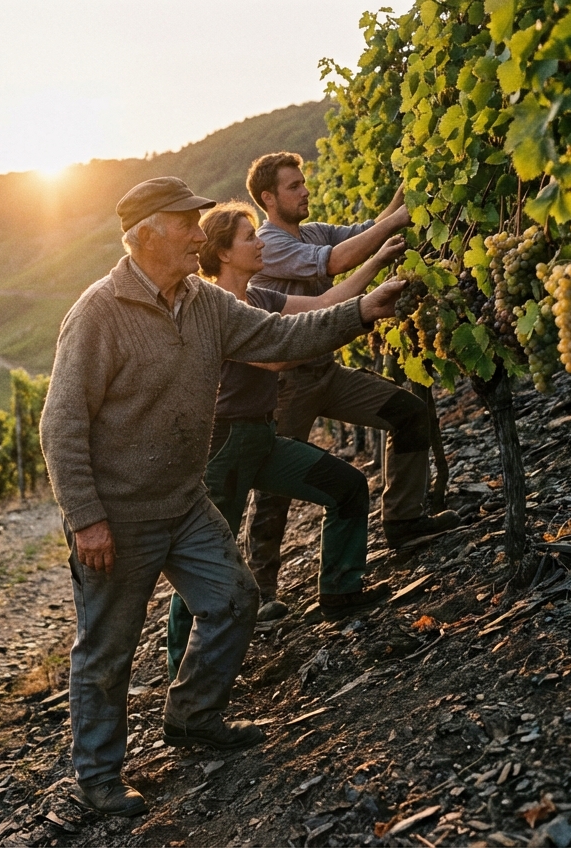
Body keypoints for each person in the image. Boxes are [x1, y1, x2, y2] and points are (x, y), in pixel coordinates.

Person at [39, 177, 410, 817]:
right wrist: (86, 518)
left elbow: (280, 337)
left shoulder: (204, 303)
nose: (198, 235)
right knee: (107, 651)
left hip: (184, 503)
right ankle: (98, 778)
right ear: (148, 234)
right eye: (187, 223)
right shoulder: (99, 313)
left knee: (235, 599)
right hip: (119, 518)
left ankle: (192, 716)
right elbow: (61, 424)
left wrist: (359, 312)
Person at [164, 201, 406, 678]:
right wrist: (358, 316)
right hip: (225, 447)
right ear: (223, 253)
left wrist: (377, 263)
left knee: (347, 487)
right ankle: (182, 672)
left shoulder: (259, 296)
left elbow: (320, 306)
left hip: (262, 438)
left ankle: (340, 591)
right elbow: (279, 354)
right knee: (205, 556)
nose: (260, 244)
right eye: (249, 237)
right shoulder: (217, 310)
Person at [242, 151, 460, 608]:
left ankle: (403, 520)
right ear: (268, 198)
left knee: (408, 413)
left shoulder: (312, 232)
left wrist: (408, 187)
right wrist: (394, 224)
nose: (305, 191)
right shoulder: (269, 243)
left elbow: (369, 229)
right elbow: (336, 263)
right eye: (294, 186)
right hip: (288, 386)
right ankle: (260, 592)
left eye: (303, 182)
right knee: (273, 488)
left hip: (326, 371)